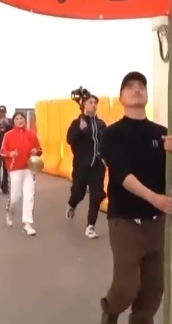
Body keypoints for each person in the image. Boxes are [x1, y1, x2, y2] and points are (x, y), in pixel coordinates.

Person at [99, 71, 172, 324]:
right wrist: (154, 198)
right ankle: (111, 309)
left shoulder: (161, 133)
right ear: (121, 98)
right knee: (126, 285)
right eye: (130, 87)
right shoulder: (113, 134)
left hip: (156, 222)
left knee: (153, 288)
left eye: (141, 86)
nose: (137, 90)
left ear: (147, 95)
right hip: (125, 220)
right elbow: (121, 175)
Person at [65, 94, 107, 239]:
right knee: (78, 192)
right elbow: (70, 140)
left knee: (96, 195)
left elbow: (106, 142)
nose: (93, 105)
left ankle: (90, 226)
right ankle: (72, 205)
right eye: (90, 102)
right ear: (83, 105)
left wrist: (105, 158)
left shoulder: (101, 124)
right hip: (81, 165)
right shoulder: (77, 123)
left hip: (98, 166)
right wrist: (79, 130)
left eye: (95, 103)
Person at [0, 111, 42, 236]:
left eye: (21, 118)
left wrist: (36, 151)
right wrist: (10, 154)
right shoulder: (8, 135)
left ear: (25, 120)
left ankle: (27, 224)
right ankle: (9, 211)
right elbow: (2, 151)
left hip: (29, 168)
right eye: (17, 118)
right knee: (15, 197)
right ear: (14, 121)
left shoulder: (31, 134)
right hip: (15, 169)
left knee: (29, 196)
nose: (19, 120)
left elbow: (40, 149)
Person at [0, 105, 12, 195]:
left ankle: (5, 186)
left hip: (7, 146)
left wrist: (7, 124)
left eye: (3, 112)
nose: (2, 114)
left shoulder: (9, 121)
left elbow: (13, 129)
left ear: (5, 112)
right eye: (1, 112)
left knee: (6, 167)